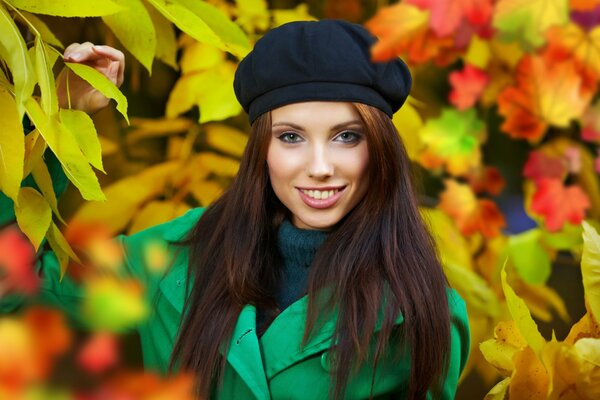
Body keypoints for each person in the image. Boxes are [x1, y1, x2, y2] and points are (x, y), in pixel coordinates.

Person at [2, 20, 469, 399]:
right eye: (291, 137)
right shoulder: (176, 259)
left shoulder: (421, 314)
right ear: (261, 150)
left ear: (381, 149)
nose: (320, 167)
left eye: (347, 136)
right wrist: (55, 122)